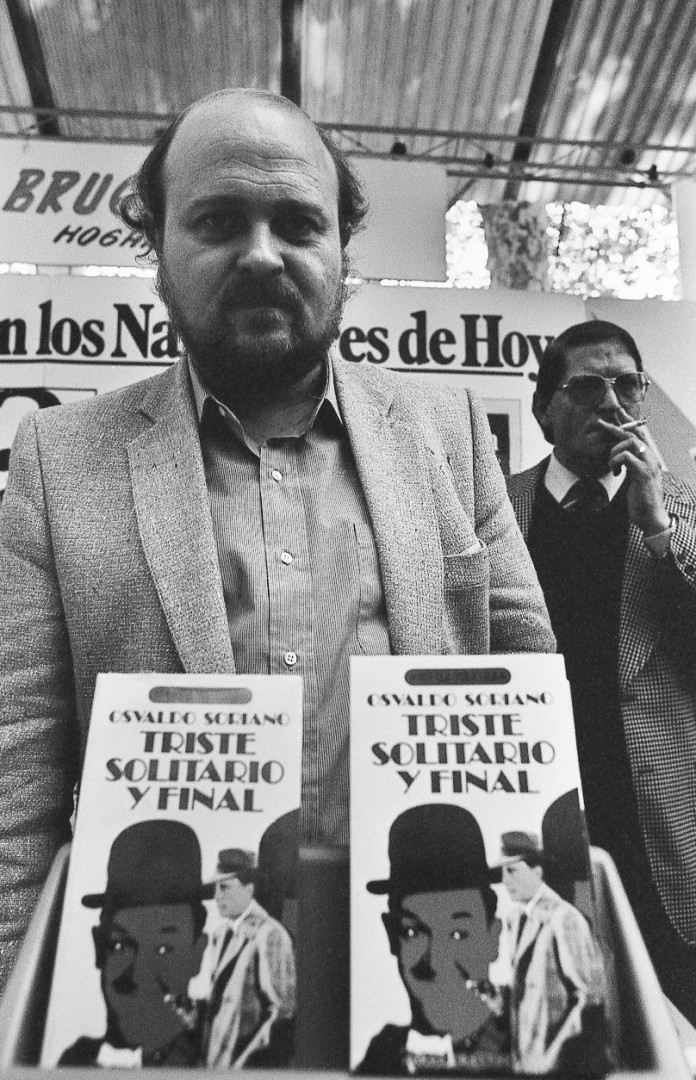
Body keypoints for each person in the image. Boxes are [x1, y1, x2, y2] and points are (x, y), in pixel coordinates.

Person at [0, 86, 554, 990]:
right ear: (158, 249)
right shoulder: (60, 463)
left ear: (344, 251)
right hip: (180, 995)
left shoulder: (446, 433)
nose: (262, 255)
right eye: (219, 220)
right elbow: (14, 781)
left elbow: (533, 702)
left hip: (429, 974)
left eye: (298, 223)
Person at [507, 318, 696, 1023]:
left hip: (661, 817)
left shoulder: (682, 510)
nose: (612, 403)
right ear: (546, 405)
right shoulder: (494, 507)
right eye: (588, 386)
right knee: (559, 1012)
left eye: (629, 385)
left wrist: (656, 525)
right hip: (541, 805)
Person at [358, 804, 510, 1075]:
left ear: (492, 939)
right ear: (392, 938)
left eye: (458, 934)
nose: (436, 961)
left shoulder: (531, 1044)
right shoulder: (383, 1056)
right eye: (413, 933)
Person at [58, 820, 208, 1067]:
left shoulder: (215, 1061)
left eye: (164, 948)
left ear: (197, 955)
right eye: (120, 946)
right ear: (99, 949)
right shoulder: (72, 1062)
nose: (139, 974)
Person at [496, 831, 610, 1076]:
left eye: (512, 870)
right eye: (502, 872)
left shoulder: (565, 918)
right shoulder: (515, 920)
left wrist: (553, 1057)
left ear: (537, 871)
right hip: (524, 1064)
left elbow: (591, 999)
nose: (504, 880)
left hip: (557, 1068)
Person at [199, 847, 295, 1067]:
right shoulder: (220, 934)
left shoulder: (270, 934)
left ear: (249, 889)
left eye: (224, 888)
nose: (216, 896)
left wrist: (245, 1065)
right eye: (215, 888)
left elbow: (283, 1013)